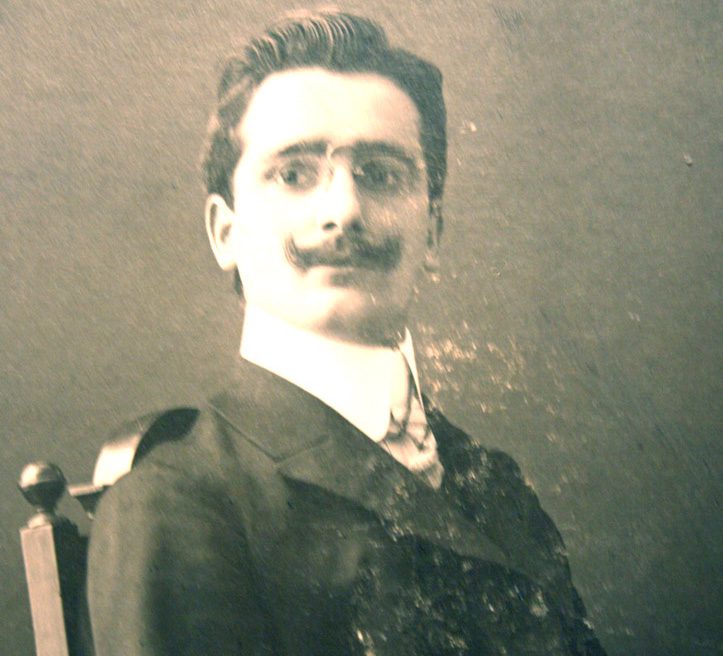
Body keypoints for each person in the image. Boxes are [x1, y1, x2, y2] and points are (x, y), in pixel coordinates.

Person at [87, 10, 606, 655]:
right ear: (225, 232)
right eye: (294, 174)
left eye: (381, 174)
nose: (344, 210)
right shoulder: (180, 504)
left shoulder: (492, 483)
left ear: (432, 231)